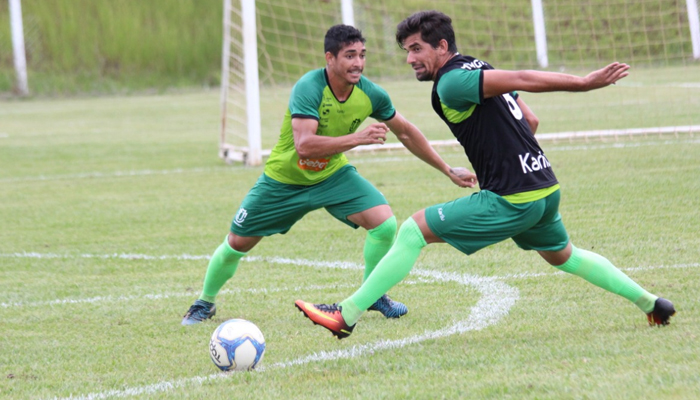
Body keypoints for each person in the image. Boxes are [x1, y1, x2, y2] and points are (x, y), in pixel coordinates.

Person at [294, 10, 676, 339]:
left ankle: (345, 315)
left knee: (411, 230)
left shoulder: (452, 81)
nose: (409, 59)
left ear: (442, 47)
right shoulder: (478, 65)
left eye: (416, 49)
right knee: (564, 255)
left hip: (512, 197)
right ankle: (652, 302)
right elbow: (530, 118)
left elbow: (525, 78)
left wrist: (584, 83)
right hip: (544, 187)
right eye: (406, 51)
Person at [181, 24, 475, 325]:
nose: (358, 63)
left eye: (362, 55)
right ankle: (205, 302)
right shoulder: (309, 88)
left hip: (333, 176)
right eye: (350, 56)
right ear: (330, 58)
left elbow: (407, 132)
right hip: (284, 181)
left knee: (385, 224)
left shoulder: (370, 93)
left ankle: (372, 295)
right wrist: (357, 139)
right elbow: (305, 146)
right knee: (237, 243)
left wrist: (447, 168)